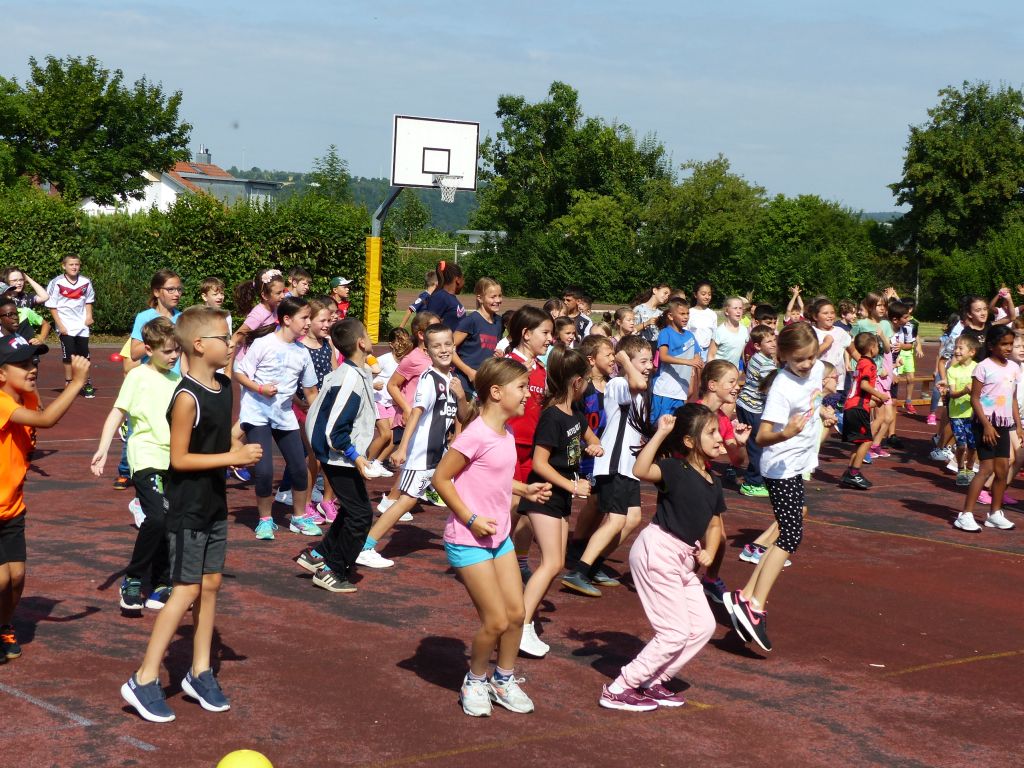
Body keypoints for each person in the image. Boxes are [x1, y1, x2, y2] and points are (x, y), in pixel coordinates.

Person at [119, 306, 259, 722]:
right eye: (223, 336)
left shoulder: (223, 388)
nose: (230, 342)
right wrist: (231, 455)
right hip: (187, 509)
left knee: (210, 584)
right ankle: (144, 678)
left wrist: (240, 439)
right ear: (199, 345)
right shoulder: (185, 397)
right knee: (185, 590)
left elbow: (221, 438)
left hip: (215, 505)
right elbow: (178, 459)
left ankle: (200, 672)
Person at [430, 357, 552, 717]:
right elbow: (440, 479)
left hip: (499, 539)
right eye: (521, 388)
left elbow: (493, 478)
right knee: (496, 620)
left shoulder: (506, 433)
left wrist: (524, 490)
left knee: (517, 614)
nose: (529, 395)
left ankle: (504, 678)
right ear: (496, 393)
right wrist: (469, 518)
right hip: (468, 540)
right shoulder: (476, 434)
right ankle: (476, 679)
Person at [599, 406, 723, 712]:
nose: (720, 437)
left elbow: (715, 525)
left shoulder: (713, 480)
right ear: (690, 442)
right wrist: (661, 434)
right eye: (711, 432)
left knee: (704, 626)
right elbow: (641, 470)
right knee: (674, 631)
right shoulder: (674, 470)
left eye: (719, 430)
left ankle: (654, 679)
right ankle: (620, 687)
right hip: (658, 550)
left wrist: (709, 549)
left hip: (685, 559)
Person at [723, 322, 834, 652]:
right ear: (784, 357)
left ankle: (744, 597)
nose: (807, 364)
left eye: (811, 357)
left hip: (797, 464)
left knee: (794, 525)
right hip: (779, 467)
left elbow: (817, 386)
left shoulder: (812, 372)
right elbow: (762, 436)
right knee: (790, 535)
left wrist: (823, 411)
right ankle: (754, 605)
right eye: (800, 359)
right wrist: (787, 432)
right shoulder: (783, 388)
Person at [0, 338, 89, 664]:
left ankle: (3, 625)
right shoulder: (2, 402)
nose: (32, 368)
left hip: (11, 507)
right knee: (1, 579)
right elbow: (48, 419)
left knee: (17, 578)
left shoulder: (25, 396)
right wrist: (77, 382)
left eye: (33, 362)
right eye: (22, 364)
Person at [359, 324, 469, 568]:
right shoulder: (430, 379)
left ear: (454, 346)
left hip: (438, 454)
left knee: (459, 491)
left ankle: (468, 539)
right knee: (406, 501)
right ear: (427, 351)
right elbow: (416, 413)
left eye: (447, 344)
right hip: (421, 454)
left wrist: (461, 396)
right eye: (436, 346)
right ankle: (366, 545)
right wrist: (403, 447)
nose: (443, 350)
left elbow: (463, 415)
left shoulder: (452, 380)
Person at [90, 317, 181, 611]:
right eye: (168, 351)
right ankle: (132, 578)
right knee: (157, 516)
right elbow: (118, 413)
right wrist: (103, 449)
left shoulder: (177, 381)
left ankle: (163, 580)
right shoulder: (138, 377)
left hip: (174, 459)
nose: (174, 356)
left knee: (171, 520)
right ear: (150, 349)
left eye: (177, 350)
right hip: (146, 457)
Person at [517, 347, 602, 658]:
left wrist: (593, 447)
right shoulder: (552, 416)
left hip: (561, 496)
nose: (590, 387)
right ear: (576, 381)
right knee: (552, 563)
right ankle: (521, 627)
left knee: (555, 563)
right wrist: (571, 484)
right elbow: (539, 462)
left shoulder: (575, 414)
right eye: (588, 381)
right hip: (545, 494)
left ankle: (522, 620)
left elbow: (591, 438)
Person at [561, 336, 654, 597]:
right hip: (613, 461)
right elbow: (636, 381)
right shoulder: (619, 383)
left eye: (650, 361)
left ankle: (593, 565)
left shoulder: (639, 389)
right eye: (642, 361)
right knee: (615, 519)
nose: (648, 366)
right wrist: (623, 358)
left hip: (629, 465)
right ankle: (579, 571)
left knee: (632, 518)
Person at [294, 319, 379, 593]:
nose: (369, 337)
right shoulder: (349, 378)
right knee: (361, 515)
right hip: (338, 456)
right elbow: (334, 428)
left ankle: (318, 555)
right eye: (366, 334)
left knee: (355, 509)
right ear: (361, 343)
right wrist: (355, 456)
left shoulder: (353, 372)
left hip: (337, 454)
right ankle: (333, 569)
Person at [234, 297, 320, 539]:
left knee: (299, 469)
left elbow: (311, 392)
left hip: (284, 415)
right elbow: (239, 372)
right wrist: (260, 389)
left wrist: (319, 419)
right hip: (257, 413)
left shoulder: (302, 352)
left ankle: (300, 518)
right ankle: (265, 520)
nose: (308, 323)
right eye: (304, 318)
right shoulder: (264, 344)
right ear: (286, 319)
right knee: (264, 471)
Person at [955, 325, 1021, 532]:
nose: (1008, 348)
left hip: (1003, 425)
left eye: (1011, 344)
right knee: (986, 469)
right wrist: (986, 425)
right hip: (985, 425)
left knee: (1002, 470)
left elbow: (1011, 398)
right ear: (992, 345)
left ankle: (994, 513)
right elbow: (975, 398)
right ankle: (965, 514)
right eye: (1004, 344)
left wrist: (1018, 426)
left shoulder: (1013, 367)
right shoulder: (982, 367)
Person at [504, 306, 554, 580]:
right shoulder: (507, 364)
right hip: (509, 446)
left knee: (530, 507)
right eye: (545, 333)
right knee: (510, 507)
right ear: (525, 334)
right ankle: (494, 557)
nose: (550, 339)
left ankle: (521, 561)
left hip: (533, 449)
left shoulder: (542, 370)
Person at [379, 312, 439, 513]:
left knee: (423, 460)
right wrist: (406, 408)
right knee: (411, 461)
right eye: (434, 328)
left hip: (432, 418)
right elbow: (392, 385)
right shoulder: (413, 358)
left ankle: (407, 495)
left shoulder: (436, 356)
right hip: (415, 417)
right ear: (421, 334)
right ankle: (390, 501)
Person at [839, 333, 886, 490]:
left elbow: (858, 393)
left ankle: (850, 472)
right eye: (877, 346)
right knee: (866, 441)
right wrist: (879, 394)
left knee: (859, 443)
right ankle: (854, 473)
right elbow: (864, 385)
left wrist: (873, 402)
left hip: (854, 406)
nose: (878, 348)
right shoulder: (868, 365)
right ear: (872, 348)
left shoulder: (860, 362)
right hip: (857, 408)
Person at [45, 254, 96, 398]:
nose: (74, 267)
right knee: (69, 354)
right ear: (64, 266)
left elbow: (88, 300)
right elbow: (52, 306)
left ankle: (87, 382)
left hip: (81, 325)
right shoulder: (57, 282)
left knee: (84, 355)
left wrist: (89, 316)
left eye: (77, 265)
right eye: (71, 265)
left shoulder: (85, 282)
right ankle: (69, 382)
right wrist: (60, 325)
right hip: (65, 324)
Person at [364, 328, 411, 484]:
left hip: (390, 403)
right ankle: (367, 462)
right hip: (377, 400)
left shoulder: (406, 361)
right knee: (385, 434)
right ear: (391, 344)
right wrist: (373, 384)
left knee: (394, 436)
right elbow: (366, 374)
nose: (402, 344)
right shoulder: (384, 359)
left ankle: (378, 462)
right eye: (399, 341)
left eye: (405, 340)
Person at [735, 325, 777, 499]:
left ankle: (756, 477)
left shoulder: (758, 358)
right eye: (769, 341)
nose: (773, 343)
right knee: (758, 444)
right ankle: (752, 482)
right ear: (758, 345)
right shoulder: (764, 363)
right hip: (752, 407)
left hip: (747, 404)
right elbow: (772, 387)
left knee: (756, 442)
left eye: (774, 339)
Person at [650, 297, 701, 421]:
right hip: (664, 390)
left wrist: (693, 381)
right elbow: (663, 356)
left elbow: (697, 359)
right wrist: (689, 362)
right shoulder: (665, 333)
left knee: (674, 426)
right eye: (682, 313)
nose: (686, 317)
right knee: (658, 426)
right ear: (671, 316)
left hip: (681, 392)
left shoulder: (690, 335)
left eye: (687, 313)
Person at [453, 277, 504, 398]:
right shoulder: (471, 321)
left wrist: (498, 355)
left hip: (485, 382)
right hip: (464, 384)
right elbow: (449, 349)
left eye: (500, 296)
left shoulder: (499, 322)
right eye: (493, 297)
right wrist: (469, 372)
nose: (498, 300)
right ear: (480, 298)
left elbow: (489, 349)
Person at [943, 336, 981, 487]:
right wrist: (965, 390)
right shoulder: (952, 370)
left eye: (961, 348)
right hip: (956, 414)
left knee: (973, 446)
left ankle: (970, 469)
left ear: (972, 352)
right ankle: (960, 468)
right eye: (956, 348)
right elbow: (952, 393)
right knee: (961, 445)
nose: (957, 351)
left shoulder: (978, 368)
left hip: (972, 414)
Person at [230, 268, 286, 370]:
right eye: (278, 293)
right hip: (245, 364)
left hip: (260, 361)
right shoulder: (258, 314)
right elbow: (235, 338)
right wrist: (228, 371)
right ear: (264, 295)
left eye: (284, 291)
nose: (283, 296)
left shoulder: (276, 308)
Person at [708, 297, 750, 368]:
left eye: (740, 308)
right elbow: (711, 355)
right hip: (719, 371)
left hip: (734, 371)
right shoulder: (720, 331)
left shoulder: (744, 330)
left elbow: (743, 352)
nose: (738, 311)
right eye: (735, 308)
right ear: (726, 311)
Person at [423, 261, 465, 330]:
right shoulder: (440, 297)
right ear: (458, 280)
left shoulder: (450, 297)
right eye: (463, 279)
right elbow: (429, 326)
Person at [633, 284, 670, 348]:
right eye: (665, 293)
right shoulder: (639, 309)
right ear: (655, 290)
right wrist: (647, 323)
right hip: (641, 347)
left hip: (657, 347)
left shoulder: (661, 313)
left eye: (668, 295)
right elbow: (631, 330)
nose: (667, 297)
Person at [687, 281, 717, 361]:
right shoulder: (689, 312)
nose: (707, 297)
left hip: (708, 353)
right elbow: (685, 333)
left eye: (709, 294)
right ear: (695, 295)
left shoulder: (712, 314)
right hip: (691, 352)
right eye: (703, 294)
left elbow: (714, 336)